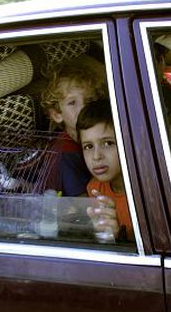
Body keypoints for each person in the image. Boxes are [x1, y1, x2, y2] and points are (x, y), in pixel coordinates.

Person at [40, 55, 108, 196]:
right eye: (72, 103)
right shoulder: (66, 152)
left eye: (89, 101)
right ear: (57, 115)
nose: (83, 108)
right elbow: (80, 201)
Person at [77, 99, 134, 241]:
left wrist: (119, 237)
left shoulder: (150, 195)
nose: (96, 156)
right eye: (88, 146)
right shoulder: (95, 188)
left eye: (108, 143)